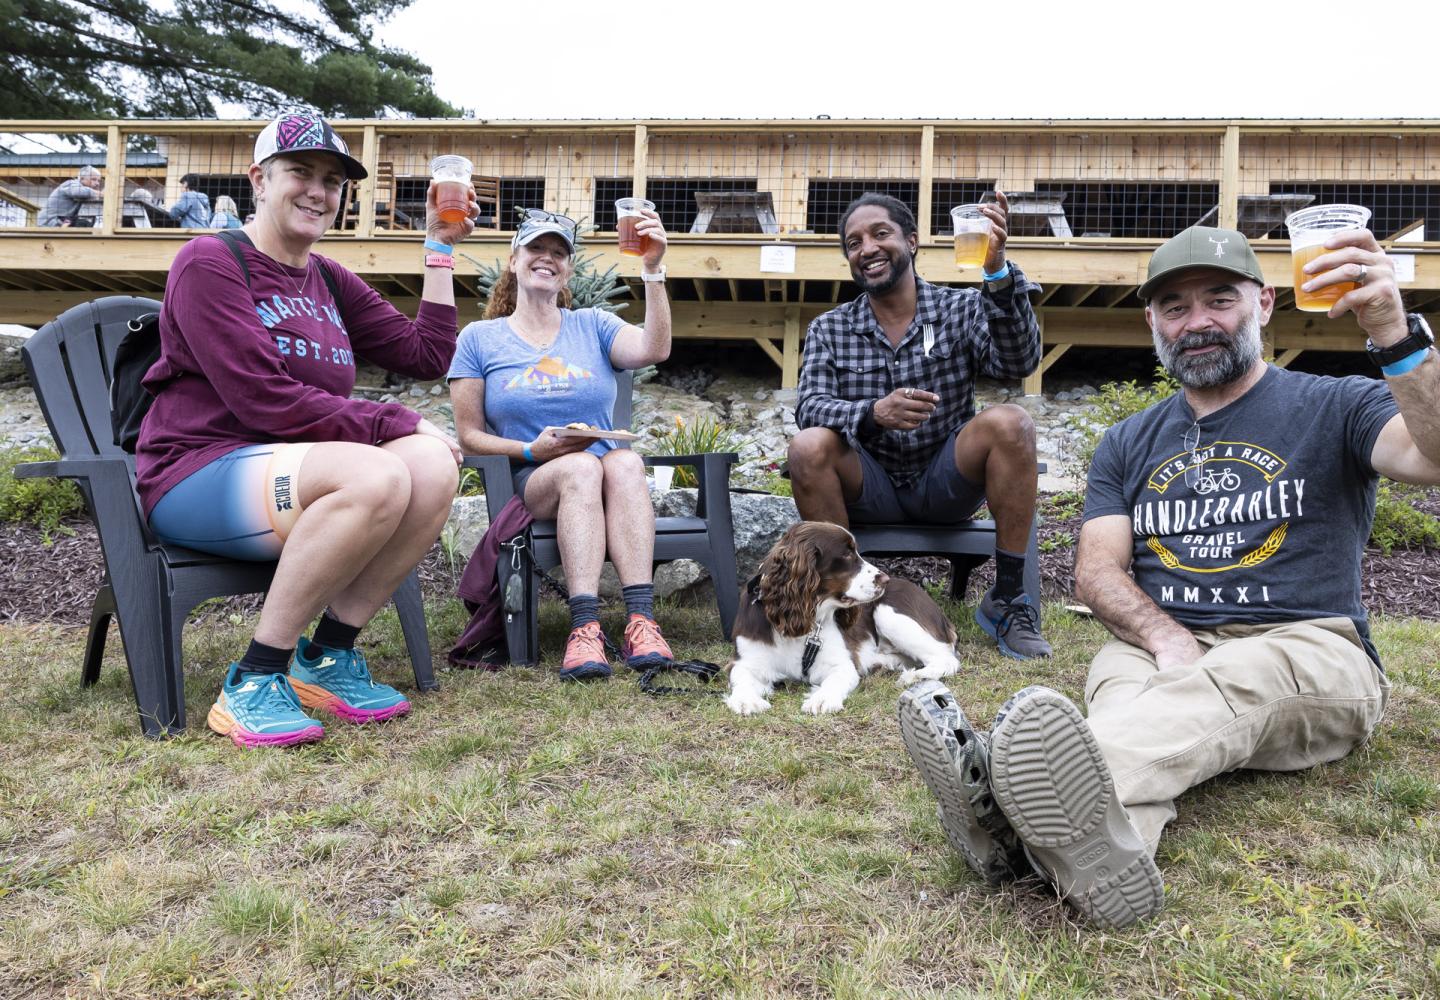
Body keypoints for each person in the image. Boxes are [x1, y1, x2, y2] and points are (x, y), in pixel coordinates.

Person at [898, 223, 1439, 928]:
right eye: (1175, 307)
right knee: (1124, 697)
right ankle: (1085, 864)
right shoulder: (1129, 440)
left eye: (1220, 299)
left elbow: (1432, 458)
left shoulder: (1335, 404)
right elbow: (1096, 571)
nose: (1198, 322)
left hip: (1308, 647)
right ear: (1153, 321)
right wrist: (1162, 636)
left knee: (1214, 688)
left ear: (1265, 304)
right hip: (1154, 645)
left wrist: (1395, 333)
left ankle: (994, 802)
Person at [136, 112, 478, 749]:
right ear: (258, 180)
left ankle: (326, 658)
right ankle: (254, 678)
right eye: (300, 172)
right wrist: (398, 420)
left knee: (432, 468)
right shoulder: (210, 261)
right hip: (197, 470)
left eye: (331, 180)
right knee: (378, 469)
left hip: (288, 469)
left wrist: (439, 246)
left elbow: (427, 354)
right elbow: (264, 398)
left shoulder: (326, 276)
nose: (318, 191)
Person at [788, 191, 1051, 658]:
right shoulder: (831, 327)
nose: (865, 247)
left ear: (912, 242)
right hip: (867, 488)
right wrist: (871, 414)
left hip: (944, 482)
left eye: (880, 234)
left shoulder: (960, 308)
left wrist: (996, 271)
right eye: (853, 242)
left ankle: (1008, 599)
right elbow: (809, 407)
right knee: (808, 445)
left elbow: (1019, 361)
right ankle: (846, 607)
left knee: (1012, 422)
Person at [448, 207, 675, 682]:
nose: (546, 258)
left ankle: (641, 620)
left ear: (568, 270)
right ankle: (584, 627)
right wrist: (532, 450)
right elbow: (469, 435)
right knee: (581, 469)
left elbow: (653, 350)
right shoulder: (480, 338)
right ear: (514, 261)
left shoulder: (592, 324)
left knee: (626, 464)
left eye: (558, 253)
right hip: (533, 480)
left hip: (603, 471)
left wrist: (653, 270)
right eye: (536, 249)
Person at [37, 165, 103, 226]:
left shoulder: (83, 190)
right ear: (82, 178)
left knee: (87, 221)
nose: (97, 183)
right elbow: (76, 192)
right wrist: (99, 193)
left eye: (99, 181)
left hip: (63, 220)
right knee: (84, 222)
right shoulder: (71, 184)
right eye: (94, 179)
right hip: (50, 221)